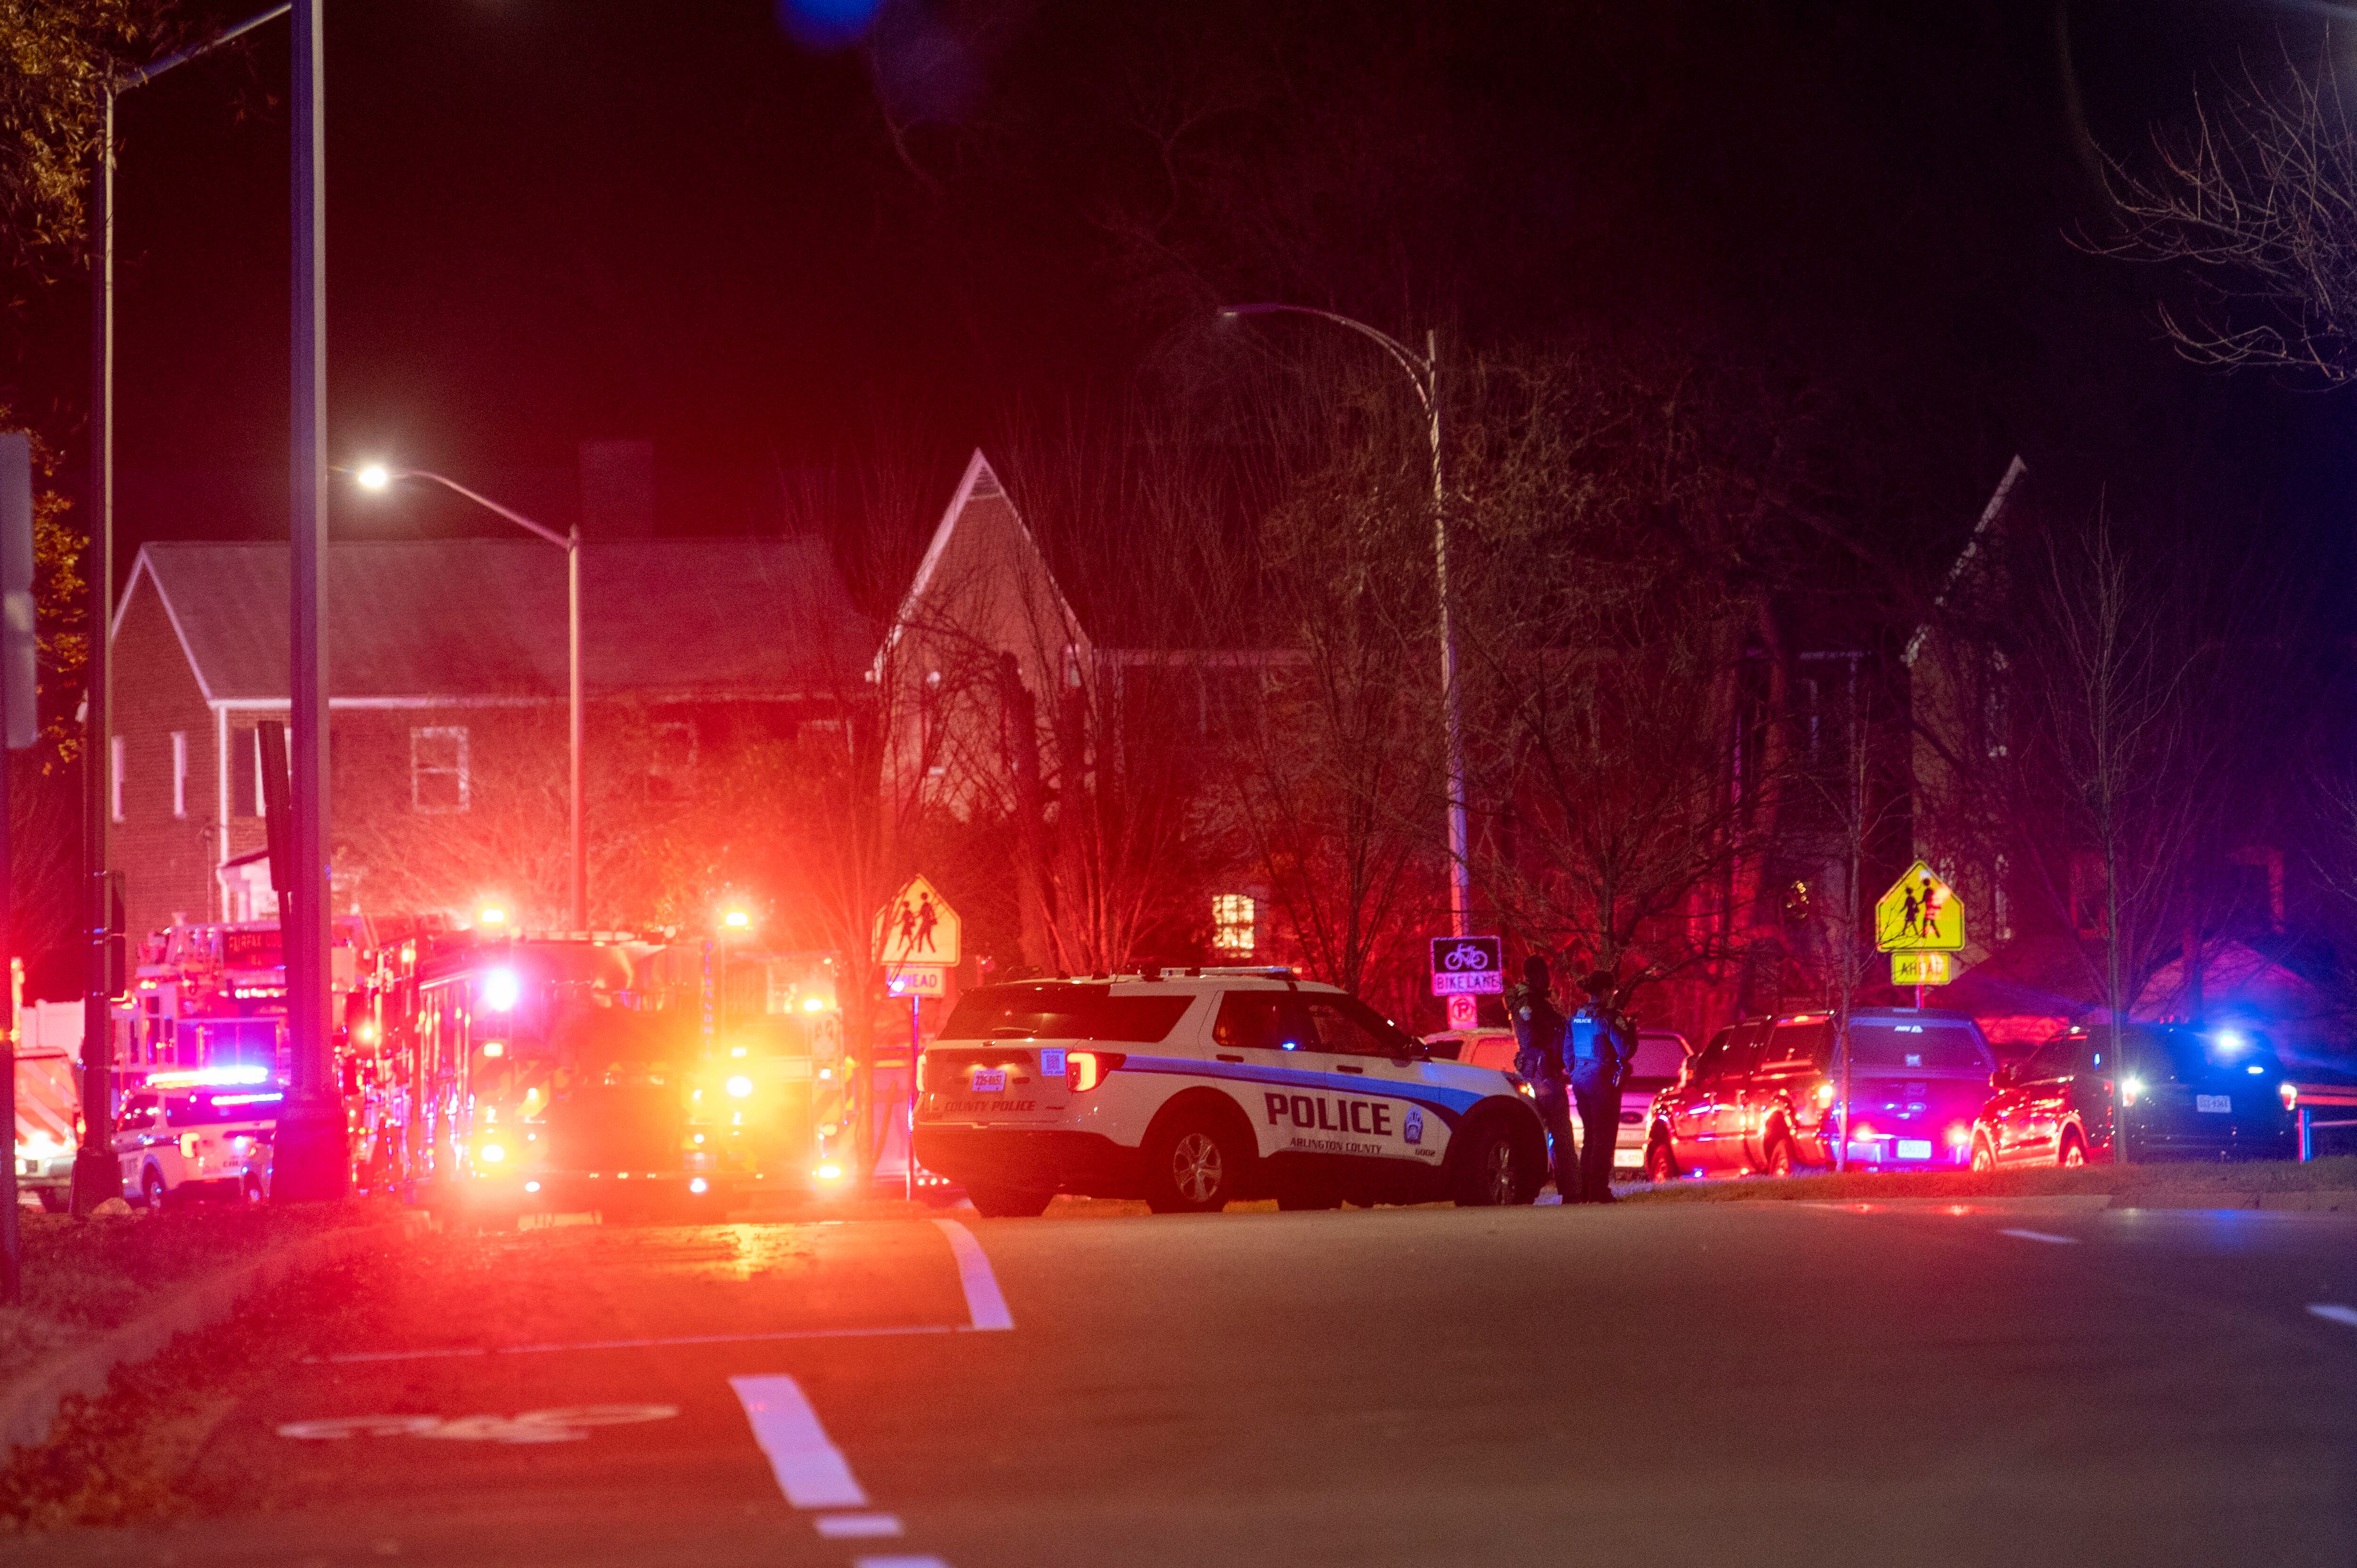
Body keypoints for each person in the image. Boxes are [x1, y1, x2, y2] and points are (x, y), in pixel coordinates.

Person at [1510, 954, 1579, 1202]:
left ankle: (1569, 1188)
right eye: (1545, 974)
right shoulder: (1528, 1004)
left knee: (1554, 1131)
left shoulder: (1536, 1001)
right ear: (1535, 975)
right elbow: (1533, 1042)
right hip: (1543, 1074)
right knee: (1561, 1130)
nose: (1548, 979)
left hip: (1542, 1072)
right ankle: (1572, 1190)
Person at [1568, 969, 1633, 1204]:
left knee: (1590, 1135)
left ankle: (1584, 1188)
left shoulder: (1577, 1016)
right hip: (1602, 1081)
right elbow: (1625, 1050)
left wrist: (1576, 1072)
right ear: (1605, 991)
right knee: (1604, 1137)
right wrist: (1630, 1028)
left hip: (1581, 1079)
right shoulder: (1608, 1018)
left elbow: (1568, 1052)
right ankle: (1599, 1189)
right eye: (1612, 991)